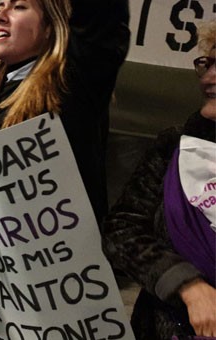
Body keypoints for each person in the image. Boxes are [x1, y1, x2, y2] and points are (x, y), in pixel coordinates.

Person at [0, 0, 131, 338]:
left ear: (50, 28)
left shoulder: (71, 88)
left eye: (19, 6)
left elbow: (103, 25)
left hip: (47, 302)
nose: (1, 14)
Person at [101, 20, 216, 339]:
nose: (208, 78)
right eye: (208, 64)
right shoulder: (174, 148)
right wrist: (188, 285)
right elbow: (121, 231)